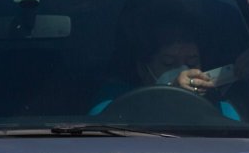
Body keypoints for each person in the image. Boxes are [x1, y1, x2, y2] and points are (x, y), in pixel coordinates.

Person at [89, 18, 241, 120]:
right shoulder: (114, 102)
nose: (183, 71)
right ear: (143, 69)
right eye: (168, 63)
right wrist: (170, 93)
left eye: (192, 62)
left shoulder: (220, 110)